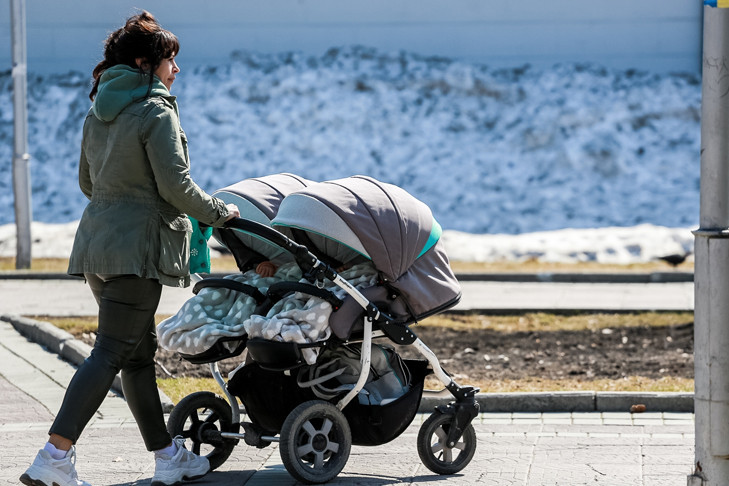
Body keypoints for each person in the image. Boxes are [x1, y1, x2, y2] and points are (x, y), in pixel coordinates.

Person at [20, 11, 240, 486]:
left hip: (98, 247)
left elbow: (86, 182)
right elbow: (177, 186)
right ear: (145, 62)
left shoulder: (98, 111)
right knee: (110, 353)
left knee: (136, 355)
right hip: (137, 251)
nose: (175, 69)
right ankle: (53, 456)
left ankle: (166, 457)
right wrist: (220, 213)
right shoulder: (156, 112)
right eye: (169, 60)